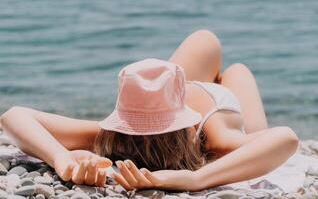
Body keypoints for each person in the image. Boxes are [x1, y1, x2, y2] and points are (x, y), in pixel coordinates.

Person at [0, 30, 299, 191]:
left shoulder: (215, 137)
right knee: (234, 66)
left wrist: (62, 157)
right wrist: (61, 157)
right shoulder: (113, 137)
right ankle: (219, 74)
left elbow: (14, 115)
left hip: (209, 102)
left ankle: (190, 80)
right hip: (179, 94)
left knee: (210, 44)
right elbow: (284, 140)